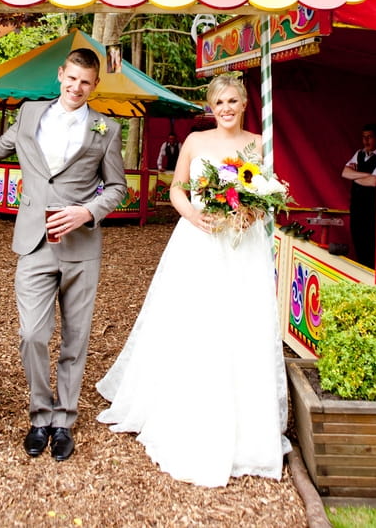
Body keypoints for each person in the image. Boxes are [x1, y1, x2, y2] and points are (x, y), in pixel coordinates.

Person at [96, 74, 290, 487]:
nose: (227, 108)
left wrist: (253, 211)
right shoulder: (196, 142)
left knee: (242, 324)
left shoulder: (257, 142)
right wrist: (195, 215)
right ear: (210, 105)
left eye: (234, 101)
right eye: (220, 102)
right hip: (200, 240)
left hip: (243, 245)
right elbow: (178, 191)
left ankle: (248, 428)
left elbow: (265, 191)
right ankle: (185, 410)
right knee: (196, 323)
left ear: (243, 104)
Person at [0, 48, 126, 462]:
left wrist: (87, 211)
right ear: (60, 75)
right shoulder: (30, 114)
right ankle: (40, 414)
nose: (76, 87)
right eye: (71, 78)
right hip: (33, 243)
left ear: (94, 86)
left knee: (75, 339)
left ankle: (63, 420)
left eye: (85, 82)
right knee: (33, 335)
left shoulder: (106, 129)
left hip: (81, 248)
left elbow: (117, 188)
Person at [342, 122, 376, 269]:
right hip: (357, 207)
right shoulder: (359, 154)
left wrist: (355, 176)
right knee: (358, 242)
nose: (366, 141)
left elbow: (374, 182)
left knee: (370, 245)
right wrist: (365, 175)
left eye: (369, 137)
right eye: (364, 137)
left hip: (372, 210)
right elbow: (344, 173)